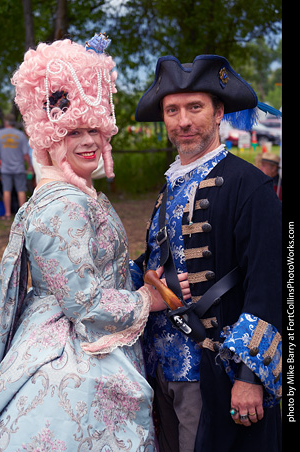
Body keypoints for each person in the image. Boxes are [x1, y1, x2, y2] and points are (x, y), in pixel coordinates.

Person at [0, 35, 170, 452]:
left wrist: (142, 273)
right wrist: (147, 301)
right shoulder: (63, 204)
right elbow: (84, 305)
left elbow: (98, 265)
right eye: (72, 132)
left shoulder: (80, 193)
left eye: (94, 130)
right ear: (50, 139)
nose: (87, 142)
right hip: (72, 347)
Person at [131, 55, 282, 452]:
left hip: (212, 374)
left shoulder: (249, 187)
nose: (183, 121)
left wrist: (250, 376)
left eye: (195, 107)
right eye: (172, 110)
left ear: (218, 113)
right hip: (157, 369)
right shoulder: (170, 186)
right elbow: (155, 263)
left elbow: (271, 284)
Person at [0, 113, 33, 219]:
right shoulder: (20, 135)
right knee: (21, 190)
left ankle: (8, 214)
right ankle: (22, 215)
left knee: (6, 190)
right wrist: (30, 166)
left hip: (5, 168)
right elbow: (26, 154)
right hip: (19, 167)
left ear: (5, 122)